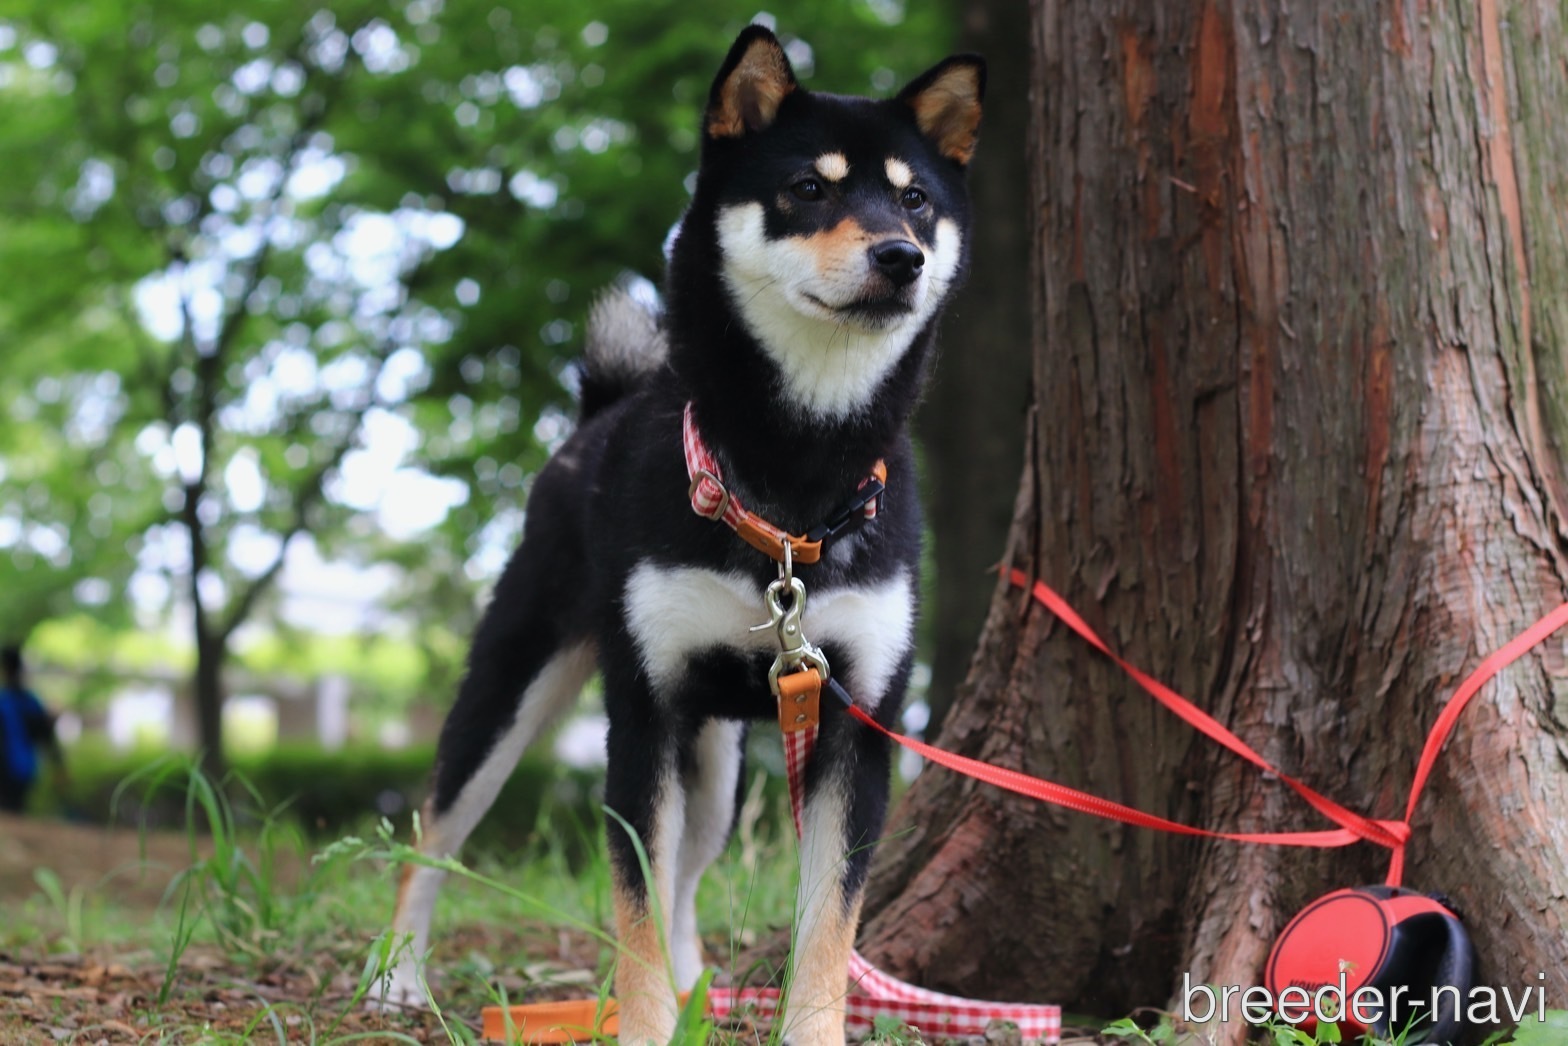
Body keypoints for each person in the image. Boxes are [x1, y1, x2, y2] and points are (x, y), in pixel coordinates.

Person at [0, 643, 63, 814]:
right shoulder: (31, 701)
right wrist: (59, 766)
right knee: (16, 811)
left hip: (9, 769)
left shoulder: (8, 701)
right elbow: (47, 736)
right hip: (26, 769)